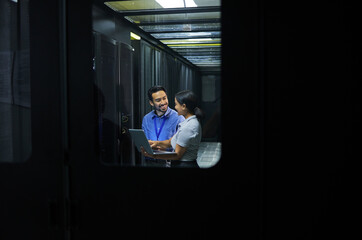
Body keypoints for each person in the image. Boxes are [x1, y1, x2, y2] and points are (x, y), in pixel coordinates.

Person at [141, 90, 203, 168]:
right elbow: (171, 141)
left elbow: (177, 155)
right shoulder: (187, 123)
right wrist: (156, 143)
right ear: (151, 102)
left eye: (176, 104)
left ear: (183, 106)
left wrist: (153, 155)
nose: (175, 107)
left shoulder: (189, 127)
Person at [142, 86, 184, 167]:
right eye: (158, 100)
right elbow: (145, 141)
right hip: (149, 161)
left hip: (168, 163)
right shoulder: (146, 119)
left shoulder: (178, 118)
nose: (163, 102)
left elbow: (181, 144)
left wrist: (164, 147)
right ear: (151, 102)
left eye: (164, 98)